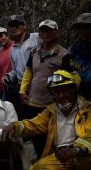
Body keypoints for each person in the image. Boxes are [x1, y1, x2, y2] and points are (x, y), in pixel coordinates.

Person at [3, 70, 91, 170]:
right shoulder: (51, 111)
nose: (61, 95)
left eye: (65, 90)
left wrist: (76, 150)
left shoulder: (90, 110)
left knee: (88, 163)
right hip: (62, 157)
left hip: (84, 155)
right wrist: (15, 126)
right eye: (56, 92)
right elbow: (34, 124)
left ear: (74, 89)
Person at [19, 20, 71, 156]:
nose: (46, 33)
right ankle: (31, 169)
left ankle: (47, 169)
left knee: (49, 139)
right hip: (31, 102)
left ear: (56, 32)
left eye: (49, 30)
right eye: (43, 31)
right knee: (31, 139)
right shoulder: (35, 52)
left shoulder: (64, 55)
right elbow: (28, 71)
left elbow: (69, 82)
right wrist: (22, 90)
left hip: (51, 106)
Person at [3, 14, 40, 118]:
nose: (14, 28)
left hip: (36, 83)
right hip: (21, 86)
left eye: (17, 25)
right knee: (25, 115)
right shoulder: (13, 48)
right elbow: (15, 70)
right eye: (11, 26)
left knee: (38, 115)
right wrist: (8, 76)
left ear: (24, 26)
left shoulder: (36, 38)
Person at [0, 27, 13, 98]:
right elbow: (0, 71)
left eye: (1, 36)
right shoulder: (1, 51)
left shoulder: (15, 47)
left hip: (13, 87)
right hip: (3, 89)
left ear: (7, 35)